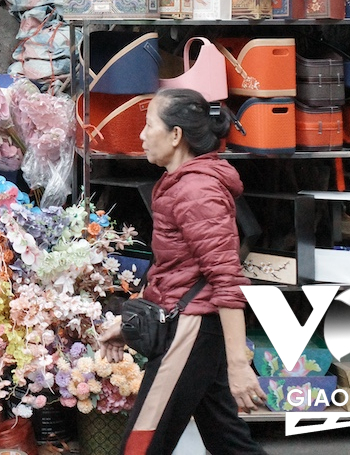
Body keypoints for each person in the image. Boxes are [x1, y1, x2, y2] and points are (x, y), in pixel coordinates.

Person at [97, 87, 267, 455]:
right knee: (229, 442)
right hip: (193, 326)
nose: (141, 135)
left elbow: (226, 278)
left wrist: (239, 365)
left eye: (148, 125)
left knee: (141, 445)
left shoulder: (196, 191)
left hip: (191, 330)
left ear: (175, 136)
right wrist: (127, 325)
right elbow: (175, 269)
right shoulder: (181, 185)